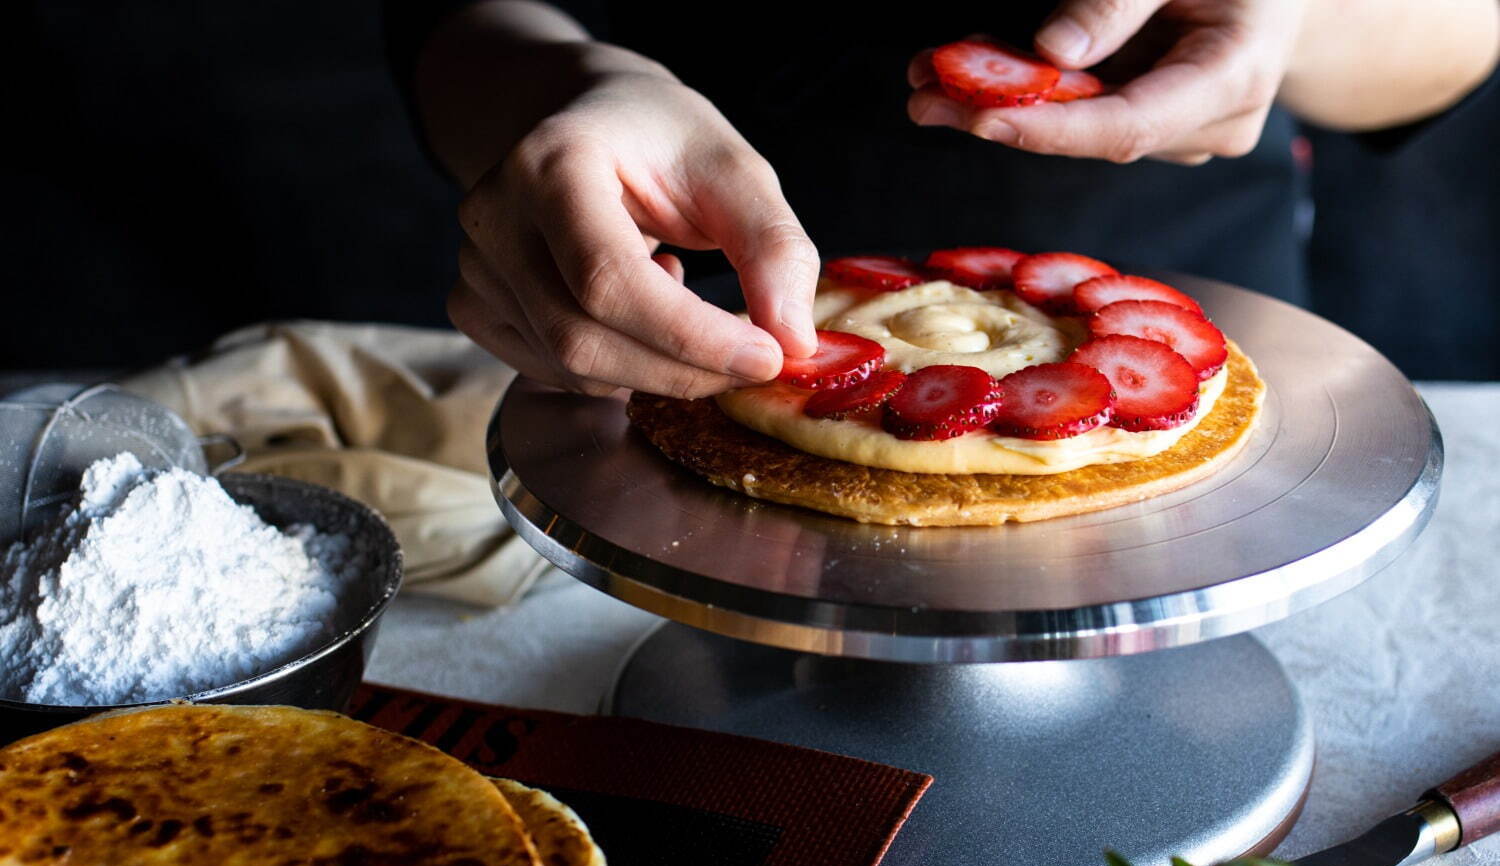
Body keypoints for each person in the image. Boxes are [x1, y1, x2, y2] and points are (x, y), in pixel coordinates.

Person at [389, 1, 1498, 397]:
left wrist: (1292, 18)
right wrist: (566, 94)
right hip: (679, 319)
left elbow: (1459, 37)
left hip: (1182, 328)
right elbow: (444, 17)